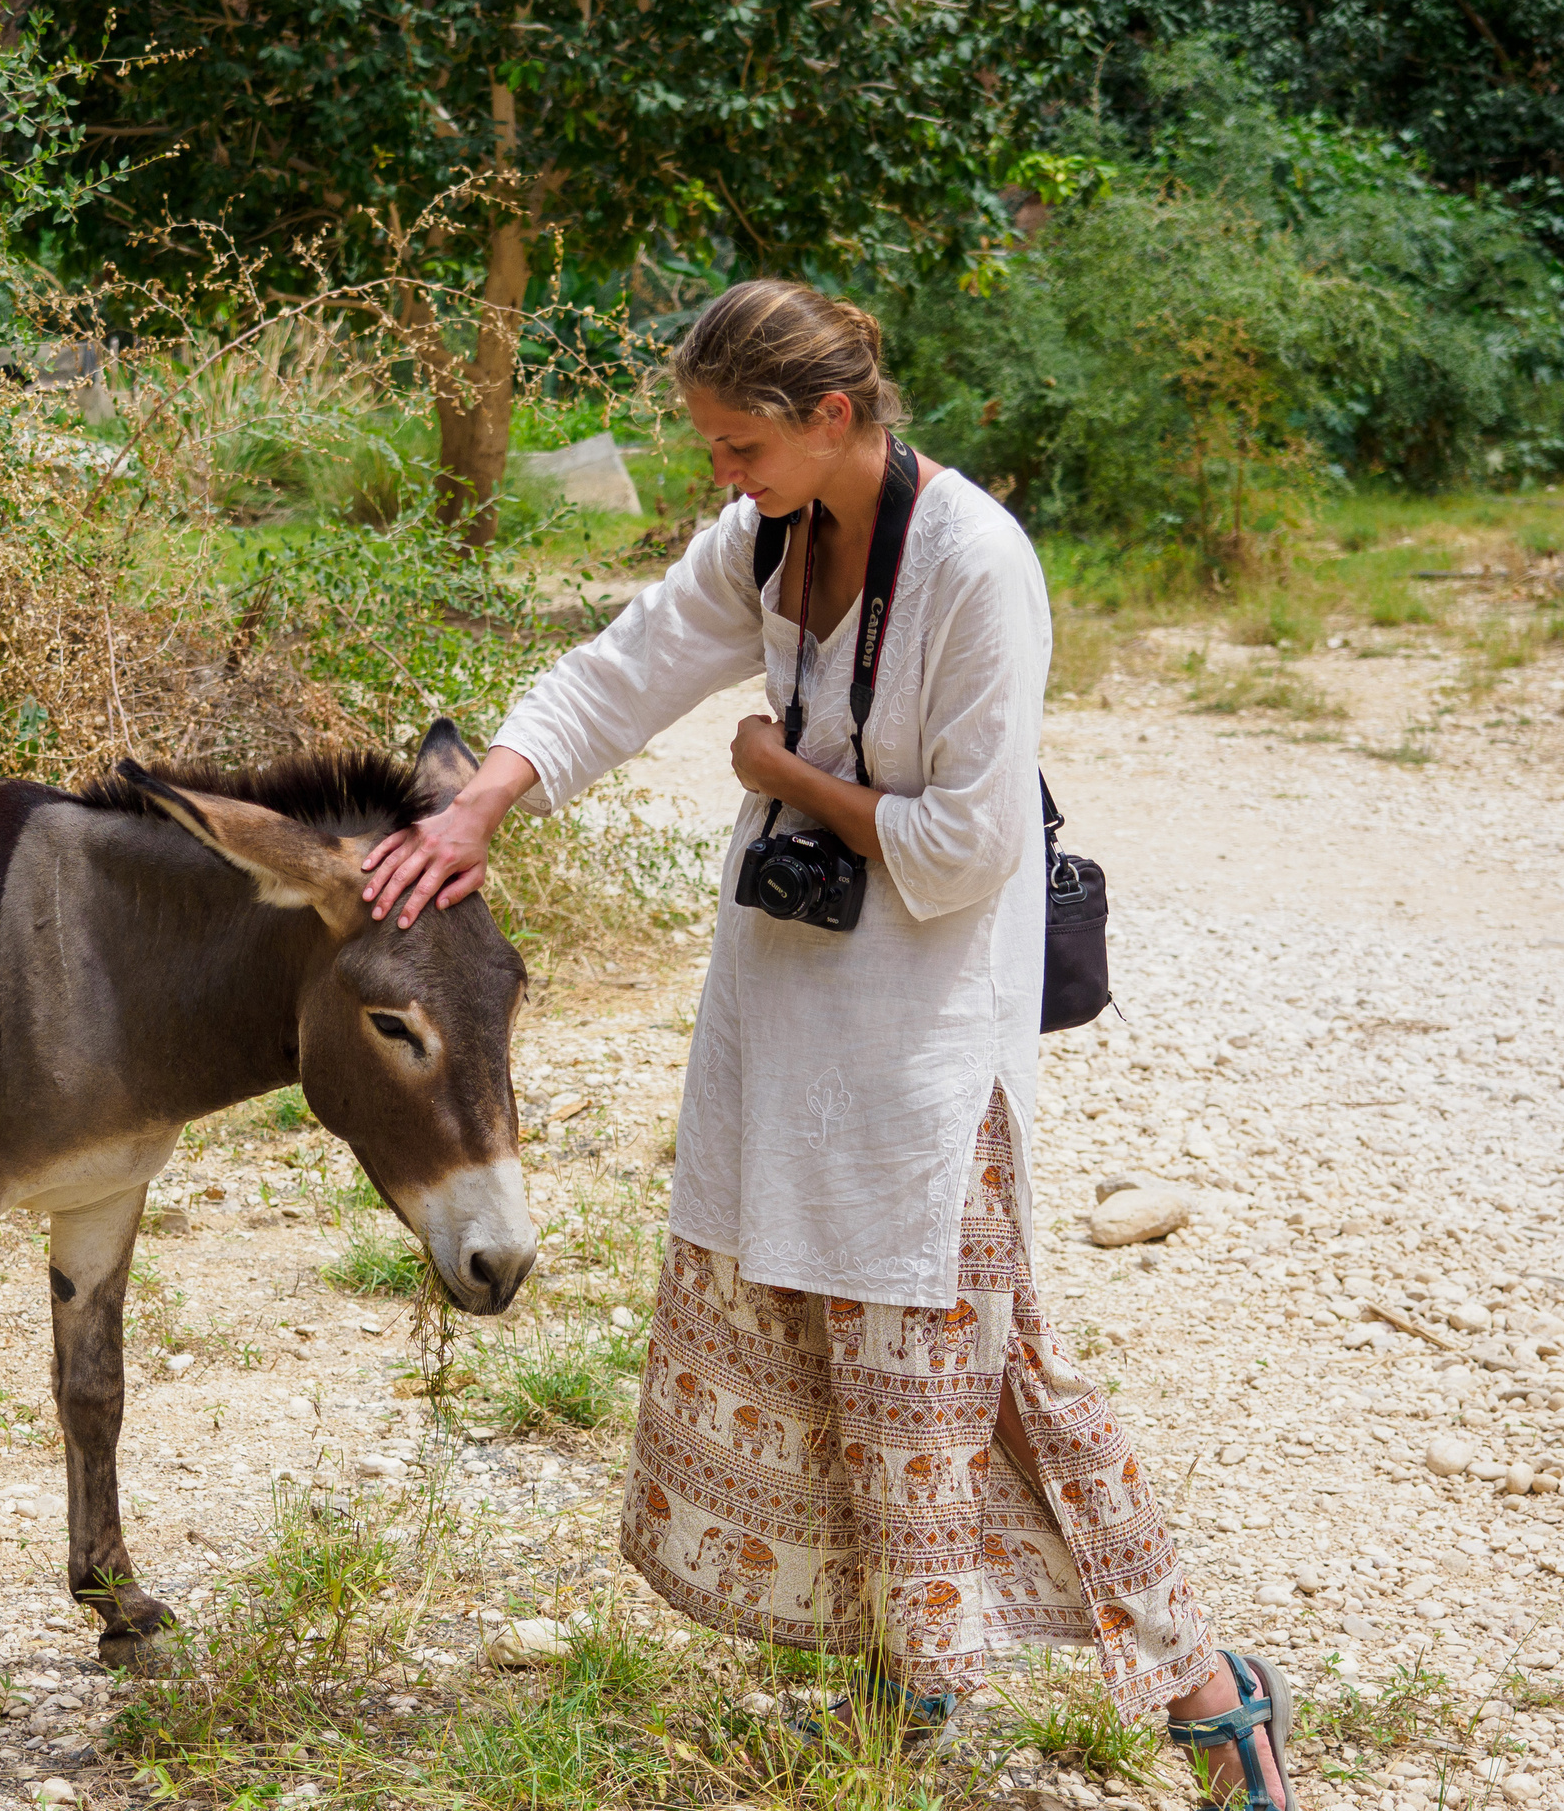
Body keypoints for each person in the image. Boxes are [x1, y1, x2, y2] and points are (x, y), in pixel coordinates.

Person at [360, 281, 1292, 1810]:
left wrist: (787, 767)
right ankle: (904, 1690)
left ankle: (1210, 1691)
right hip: (784, 1012)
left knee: (994, 1381)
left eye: (739, 447)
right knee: (822, 1360)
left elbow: (975, 845)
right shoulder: (770, 538)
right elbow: (625, 665)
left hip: (927, 1044)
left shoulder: (980, 565)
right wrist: (480, 802)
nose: (717, 479)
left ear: (835, 418)